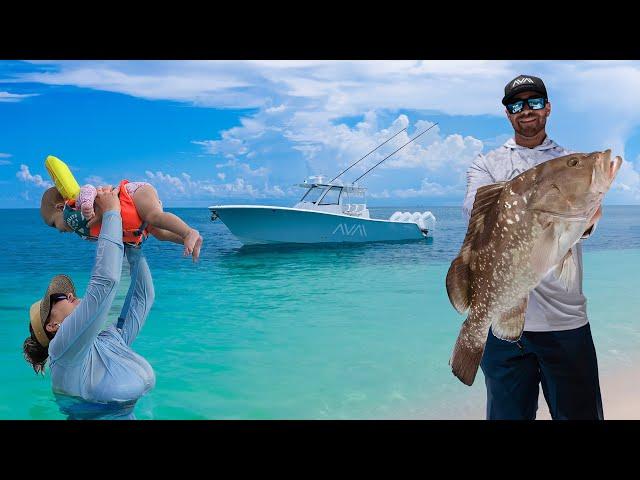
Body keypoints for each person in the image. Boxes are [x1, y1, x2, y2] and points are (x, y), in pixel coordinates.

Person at [463, 74, 604, 420]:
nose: (526, 110)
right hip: (503, 328)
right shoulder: (487, 163)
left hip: (565, 322)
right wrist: (526, 205)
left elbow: (586, 223)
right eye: (517, 104)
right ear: (508, 114)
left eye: (535, 102)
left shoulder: (570, 159)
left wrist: (583, 215)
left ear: (548, 108)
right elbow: (473, 213)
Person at [23, 186, 156, 419]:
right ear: (52, 326)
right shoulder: (62, 351)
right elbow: (104, 284)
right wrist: (111, 214)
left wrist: (132, 243)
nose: (71, 295)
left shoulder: (107, 342)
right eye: (60, 298)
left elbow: (142, 298)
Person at [40, 179, 203, 261]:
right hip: (136, 221)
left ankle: (189, 232)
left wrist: (88, 206)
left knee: (154, 216)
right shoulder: (81, 229)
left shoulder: (76, 205)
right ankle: (186, 241)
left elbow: (88, 189)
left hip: (134, 194)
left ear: (60, 208)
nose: (60, 231)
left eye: (54, 224)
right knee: (159, 233)